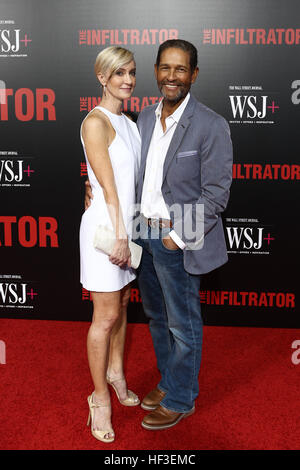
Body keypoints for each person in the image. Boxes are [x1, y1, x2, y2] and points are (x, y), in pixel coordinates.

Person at [85, 39, 233, 431]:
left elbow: (217, 194)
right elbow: (124, 172)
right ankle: (170, 382)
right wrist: (92, 186)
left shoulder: (211, 124)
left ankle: (182, 397)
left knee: (183, 323)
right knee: (156, 317)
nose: (172, 76)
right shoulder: (144, 119)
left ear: (194, 75)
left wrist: (178, 237)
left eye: (181, 69)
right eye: (165, 68)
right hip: (141, 235)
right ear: (156, 71)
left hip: (175, 239)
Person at [79, 46, 141, 443]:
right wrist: (120, 235)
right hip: (106, 229)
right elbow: (109, 188)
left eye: (132, 72)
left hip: (127, 228)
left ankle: (116, 372)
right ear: (102, 78)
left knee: (120, 306)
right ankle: (99, 398)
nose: (127, 80)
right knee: (103, 317)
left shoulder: (131, 124)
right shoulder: (95, 123)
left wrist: (130, 233)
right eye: (118, 73)